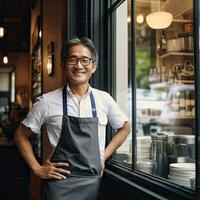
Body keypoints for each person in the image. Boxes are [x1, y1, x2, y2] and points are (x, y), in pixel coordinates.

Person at [14, 37, 130, 200]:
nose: (78, 66)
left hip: (93, 185)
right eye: (72, 60)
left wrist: (103, 156)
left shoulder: (104, 99)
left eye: (85, 60)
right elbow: (20, 135)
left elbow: (125, 127)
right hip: (59, 185)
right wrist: (37, 169)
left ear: (94, 66)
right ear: (63, 64)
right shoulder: (47, 101)